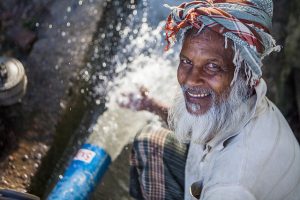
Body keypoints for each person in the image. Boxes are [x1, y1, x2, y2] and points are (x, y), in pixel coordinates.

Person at [123, 0, 300, 199]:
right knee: (150, 141)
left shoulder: (232, 186)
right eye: (186, 61)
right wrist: (150, 104)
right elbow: (196, 128)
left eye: (213, 66)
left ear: (246, 73)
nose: (191, 79)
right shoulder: (242, 99)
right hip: (203, 173)